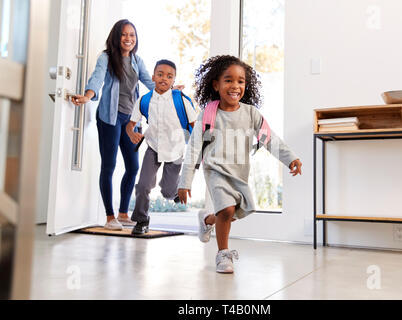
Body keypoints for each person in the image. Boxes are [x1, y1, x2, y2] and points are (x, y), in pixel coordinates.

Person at [177, 55, 302, 274]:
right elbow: (194, 149)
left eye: (240, 81)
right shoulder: (208, 115)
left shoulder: (251, 114)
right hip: (215, 170)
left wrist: (290, 157)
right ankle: (223, 254)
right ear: (216, 85)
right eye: (228, 80)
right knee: (226, 209)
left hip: (239, 172)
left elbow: (269, 139)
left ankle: (207, 220)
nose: (235, 86)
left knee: (232, 211)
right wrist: (185, 181)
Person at [72, 20, 182, 230]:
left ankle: (123, 213)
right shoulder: (106, 58)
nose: (128, 38)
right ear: (116, 36)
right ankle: (109, 216)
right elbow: (97, 79)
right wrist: (88, 96)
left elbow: (150, 83)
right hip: (109, 118)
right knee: (109, 165)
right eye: (124, 35)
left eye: (132, 35)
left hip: (131, 119)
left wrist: (169, 88)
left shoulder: (136, 60)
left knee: (133, 167)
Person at [126, 59, 198, 235]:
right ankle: (141, 220)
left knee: (167, 192)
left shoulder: (181, 100)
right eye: (160, 74)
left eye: (169, 76)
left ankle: (172, 189)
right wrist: (132, 133)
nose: (164, 78)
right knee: (143, 185)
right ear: (153, 77)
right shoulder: (144, 100)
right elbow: (131, 124)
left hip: (175, 151)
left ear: (174, 80)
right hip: (153, 147)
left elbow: (195, 126)